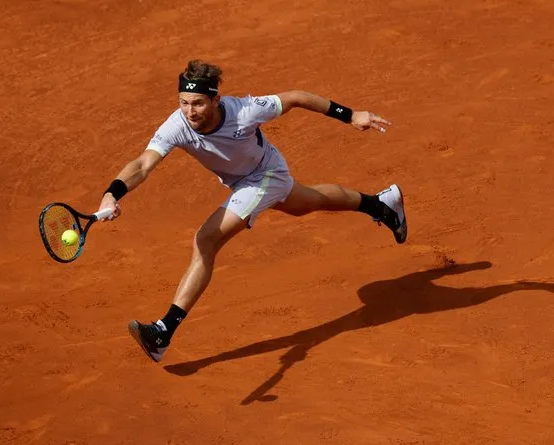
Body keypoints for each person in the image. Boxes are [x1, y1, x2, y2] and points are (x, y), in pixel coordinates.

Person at [97, 60, 407, 363]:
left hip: (264, 175)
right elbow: (142, 164)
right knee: (308, 202)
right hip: (241, 180)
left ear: (216, 99)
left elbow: (296, 97)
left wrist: (351, 115)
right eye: (184, 102)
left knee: (206, 240)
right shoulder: (177, 124)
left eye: (199, 103)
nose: (190, 111)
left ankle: (163, 332)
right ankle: (380, 203)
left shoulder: (245, 111)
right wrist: (112, 193)